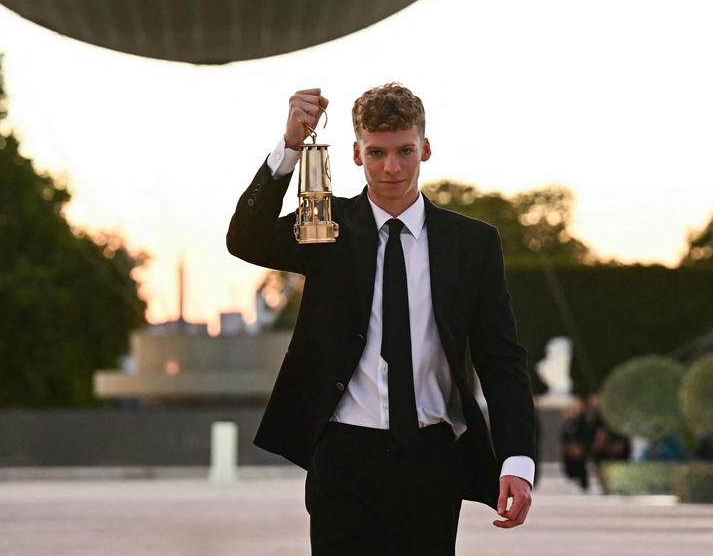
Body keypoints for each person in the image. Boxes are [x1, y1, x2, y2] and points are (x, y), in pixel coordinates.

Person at [226, 84, 537, 555]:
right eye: (377, 153)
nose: (391, 167)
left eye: (404, 151)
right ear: (356, 153)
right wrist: (289, 147)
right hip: (343, 455)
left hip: (432, 458)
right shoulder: (323, 225)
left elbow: (501, 358)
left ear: (425, 149)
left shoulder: (471, 244)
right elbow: (245, 239)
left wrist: (516, 458)